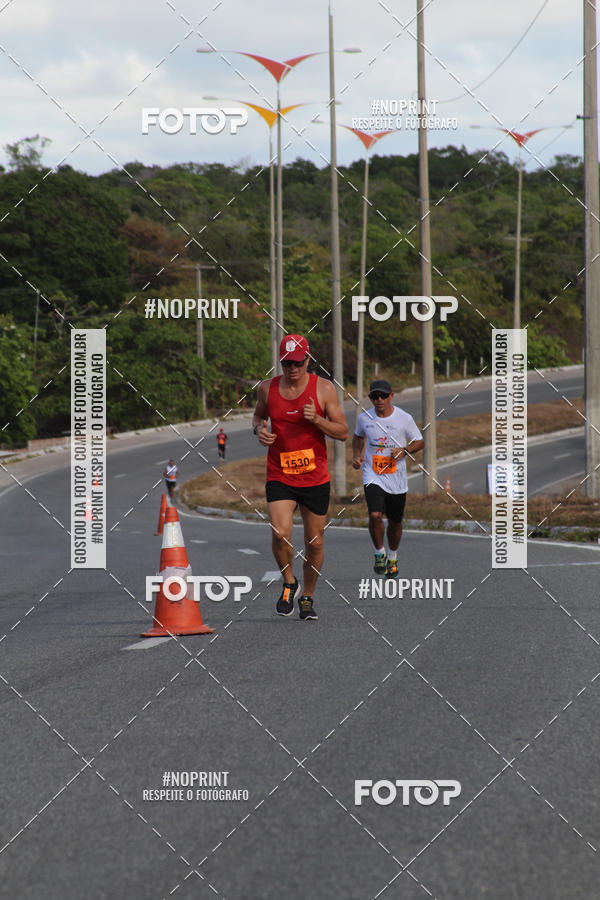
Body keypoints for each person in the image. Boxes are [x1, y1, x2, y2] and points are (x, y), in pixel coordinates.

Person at [252, 334, 349, 620]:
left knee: (314, 542)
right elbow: (258, 417)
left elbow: (343, 432)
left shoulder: (324, 389)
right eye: (287, 363)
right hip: (280, 473)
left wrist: (317, 420)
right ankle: (288, 582)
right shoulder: (267, 389)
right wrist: (259, 431)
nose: (292, 368)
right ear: (280, 362)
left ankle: (307, 595)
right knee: (280, 532)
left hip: (314, 477)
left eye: (297, 362)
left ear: (308, 360)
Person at [352, 380, 424, 577]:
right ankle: (379, 553)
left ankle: (392, 557)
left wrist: (404, 450)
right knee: (375, 515)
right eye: (375, 396)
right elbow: (358, 437)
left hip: (396, 478)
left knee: (395, 522)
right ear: (370, 398)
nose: (379, 399)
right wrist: (356, 456)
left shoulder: (404, 418)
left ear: (391, 396)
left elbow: (419, 441)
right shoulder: (364, 418)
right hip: (373, 474)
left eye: (383, 395)